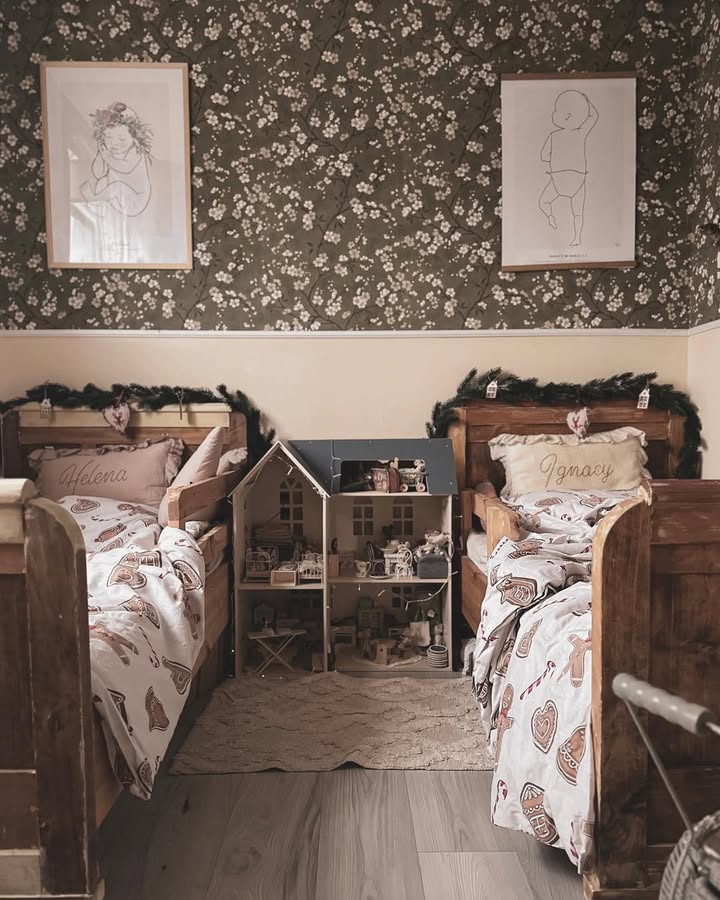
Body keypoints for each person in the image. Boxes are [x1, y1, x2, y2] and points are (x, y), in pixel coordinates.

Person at [538, 90, 598, 247]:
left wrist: (556, 158)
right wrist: (586, 101)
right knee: (578, 213)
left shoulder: (553, 135)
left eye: (556, 110)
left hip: (558, 180)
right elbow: (594, 117)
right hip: (578, 180)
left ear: (567, 116)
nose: (553, 113)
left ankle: (550, 217)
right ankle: (577, 238)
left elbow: (544, 156)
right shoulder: (581, 133)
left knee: (544, 202)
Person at [80, 101, 152, 217]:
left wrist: (107, 157)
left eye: (122, 139)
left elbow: (125, 169)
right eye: (108, 137)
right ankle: (98, 207)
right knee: (103, 181)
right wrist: (100, 155)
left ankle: (94, 200)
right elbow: (98, 174)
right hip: (117, 198)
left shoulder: (136, 152)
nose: (114, 143)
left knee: (117, 186)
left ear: (135, 139)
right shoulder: (108, 152)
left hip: (135, 200)